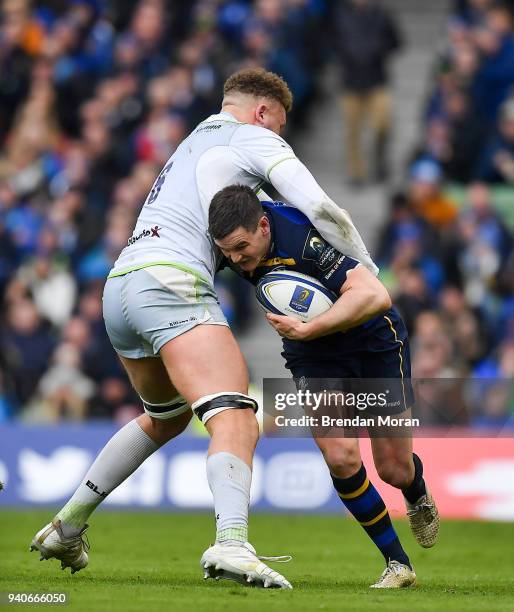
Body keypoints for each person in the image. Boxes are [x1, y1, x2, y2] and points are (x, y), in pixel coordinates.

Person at [29, 67, 377, 590]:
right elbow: (324, 209)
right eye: (278, 127)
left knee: (164, 417)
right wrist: (366, 273)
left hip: (121, 284)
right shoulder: (252, 137)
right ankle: (232, 543)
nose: (276, 138)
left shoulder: (193, 139)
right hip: (172, 283)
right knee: (236, 417)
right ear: (263, 113)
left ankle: (67, 525)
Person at [208, 184, 441, 589]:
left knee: (393, 468)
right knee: (340, 455)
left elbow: (375, 294)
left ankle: (416, 490)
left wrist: (309, 326)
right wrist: (305, 335)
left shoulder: (302, 237)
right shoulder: (233, 241)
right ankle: (397, 564)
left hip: (370, 337)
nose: (235, 260)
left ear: (264, 226)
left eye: (240, 247)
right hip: (312, 352)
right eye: (226, 252)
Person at [333, 0, 402, 184]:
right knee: (353, 130)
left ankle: (379, 161)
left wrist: (377, 49)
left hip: (376, 79)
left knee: (382, 124)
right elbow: (332, 41)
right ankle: (357, 172)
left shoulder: (382, 14)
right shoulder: (341, 15)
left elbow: (396, 41)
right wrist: (347, 54)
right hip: (351, 81)